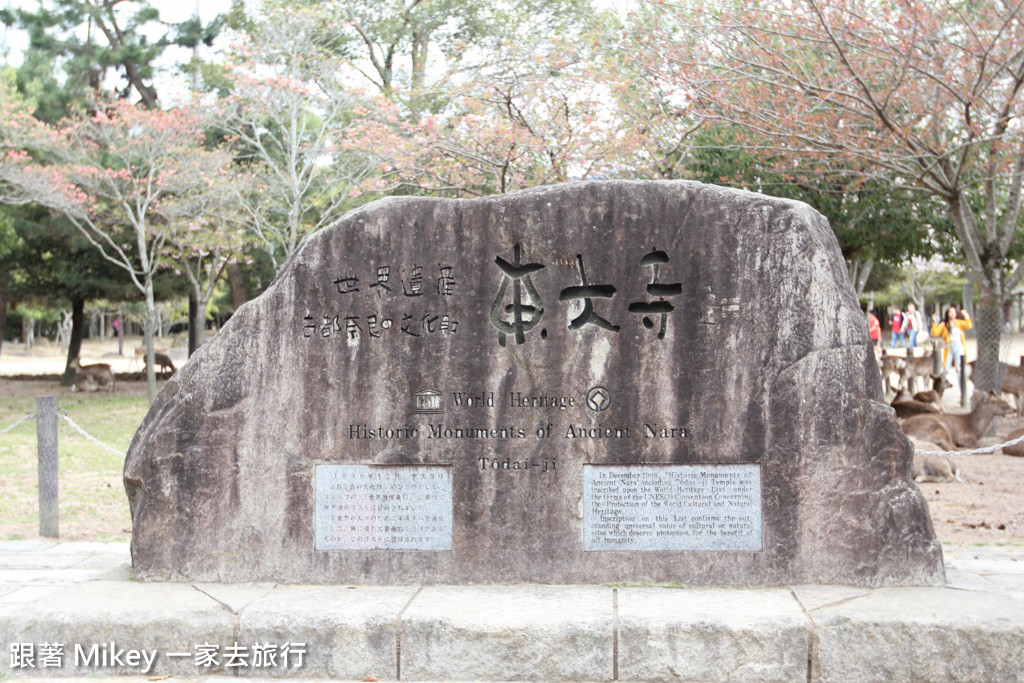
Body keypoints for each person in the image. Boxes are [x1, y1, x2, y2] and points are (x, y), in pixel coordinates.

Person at [931, 305, 972, 374]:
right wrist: (934, 322)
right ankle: (943, 380)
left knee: (958, 365)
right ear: (947, 314)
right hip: (949, 346)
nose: (952, 314)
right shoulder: (944, 324)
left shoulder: (958, 322)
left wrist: (966, 315)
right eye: (950, 312)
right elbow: (935, 333)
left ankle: (960, 381)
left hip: (958, 345)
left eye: (954, 312)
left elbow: (968, 325)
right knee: (946, 366)